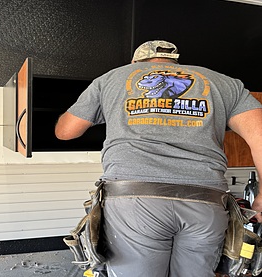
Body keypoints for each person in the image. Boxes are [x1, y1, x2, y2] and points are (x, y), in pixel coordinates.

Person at [55, 40, 262, 276]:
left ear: (136, 63)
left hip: (135, 200)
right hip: (206, 200)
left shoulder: (113, 78)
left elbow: (65, 132)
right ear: (174, 61)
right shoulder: (224, 83)